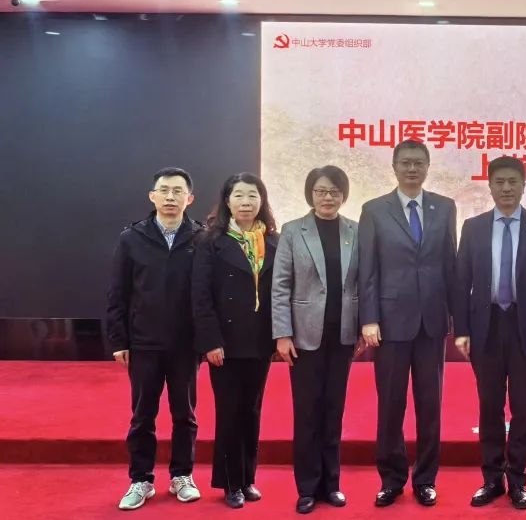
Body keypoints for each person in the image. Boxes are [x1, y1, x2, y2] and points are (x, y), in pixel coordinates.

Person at [453, 155, 526, 510]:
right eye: (499, 182)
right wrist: (461, 329)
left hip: (525, 326)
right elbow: (461, 282)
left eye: (512, 182)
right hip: (485, 326)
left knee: (522, 407)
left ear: (523, 185)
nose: (506, 188)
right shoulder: (473, 227)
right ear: (489, 186)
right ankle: (491, 479)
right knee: (489, 405)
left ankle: (517, 479)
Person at [357, 140, 457, 507]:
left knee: (430, 406)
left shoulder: (444, 207)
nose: (412, 169)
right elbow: (367, 268)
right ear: (394, 167)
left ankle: (426, 479)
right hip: (390, 323)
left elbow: (450, 265)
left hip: (432, 322)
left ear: (428, 167)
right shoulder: (374, 210)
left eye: (418, 163)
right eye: (405, 163)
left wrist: (457, 319)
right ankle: (392, 478)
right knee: (391, 405)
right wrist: (369, 318)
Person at [106, 167, 203, 510]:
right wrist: (119, 340)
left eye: (178, 191)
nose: (171, 197)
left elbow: (207, 296)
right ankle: (141, 479)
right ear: (152, 196)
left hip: (186, 344)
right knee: (142, 415)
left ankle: (182, 476)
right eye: (164, 190)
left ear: (190, 198)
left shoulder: (201, 238)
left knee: (184, 414)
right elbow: (118, 293)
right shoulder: (131, 238)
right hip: (143, 342)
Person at [271, 166, 362, 514]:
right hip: (303, 337)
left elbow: (362, 282)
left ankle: (331, 484)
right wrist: (282, 333)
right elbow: (280, 285)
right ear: (311, 194)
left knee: (334, 411)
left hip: (342, 336)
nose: (328, 197)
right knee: (308, 412)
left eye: (335, 191)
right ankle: (307, 488)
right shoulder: (293, 231)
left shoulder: (355, 230)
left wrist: (361, 326)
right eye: (321, 191)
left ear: (344, 195)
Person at [192, 172, 278, 508]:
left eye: (252, 195)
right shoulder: (210, 241)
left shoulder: (273, 241)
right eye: (239, 195)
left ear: (262, 201)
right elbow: (201, 296)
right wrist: (210, 341)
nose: (246, 202)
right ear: (227, 201)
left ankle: (247, 477)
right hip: (224, 343)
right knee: (229, 412)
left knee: (252, 410)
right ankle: (230, 483)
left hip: (259, 341)